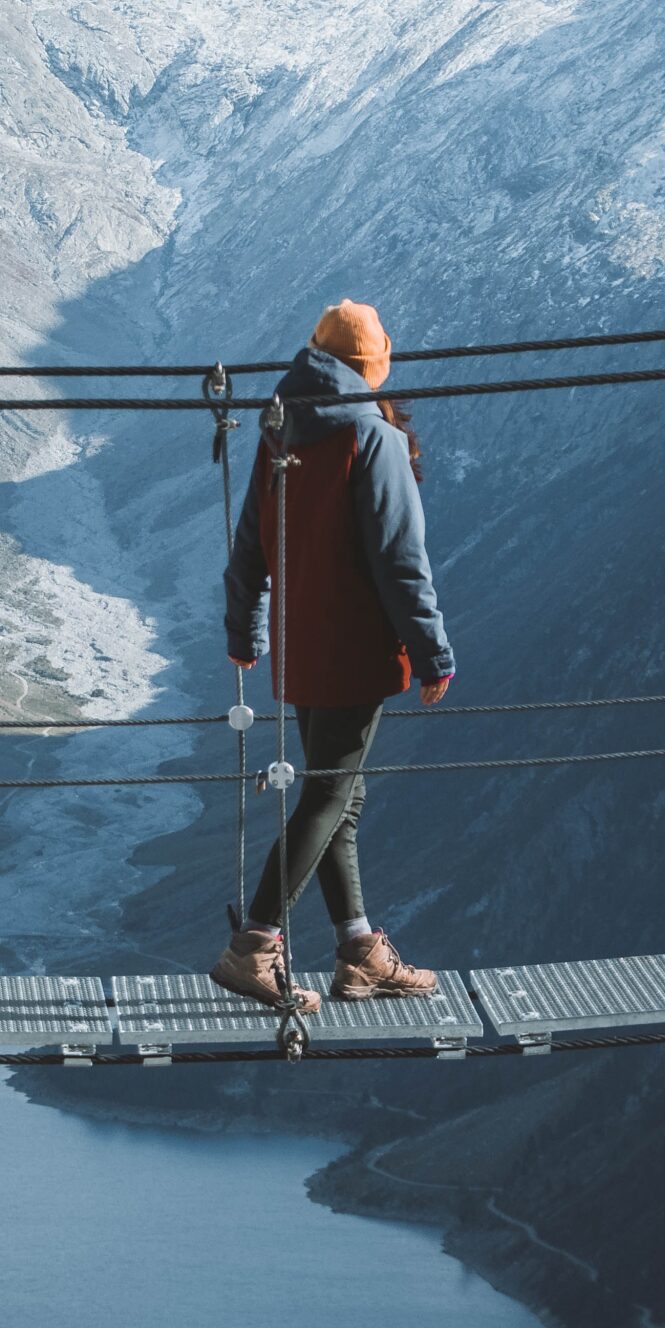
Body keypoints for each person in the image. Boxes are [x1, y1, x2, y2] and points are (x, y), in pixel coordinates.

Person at [211, 299, 455, 1010]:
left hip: (300, 648)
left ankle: (359, 952)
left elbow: (250, 546)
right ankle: (255, 946)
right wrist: (433, 654)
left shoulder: (280, 429)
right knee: (329, 795)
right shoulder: (372, 437)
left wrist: (244, 632)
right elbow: (401, 560)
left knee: (339, 795)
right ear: (372, 367)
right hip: (355, 648)